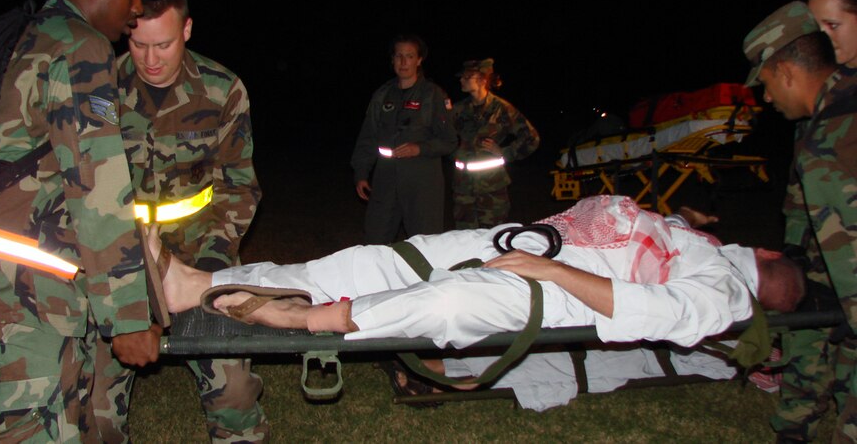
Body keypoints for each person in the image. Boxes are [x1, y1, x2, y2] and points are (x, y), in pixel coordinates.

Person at [155, 195, 804, 352]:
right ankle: (194, 284)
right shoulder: (697, 235)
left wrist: (551, 271)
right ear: (769, 253)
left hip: (550, 289)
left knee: (449, 300)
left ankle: (315, 316)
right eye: (780, 279)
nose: (771, 291)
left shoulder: (727, 291)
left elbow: (659, 314)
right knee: (362, 261)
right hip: (509, 243)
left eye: (781, 299)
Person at [0, 0, 162, 441]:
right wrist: (129, 319)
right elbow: (98, 191)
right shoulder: (79, 47)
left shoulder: (14, 36)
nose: (137, 8)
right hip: (21, 313)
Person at [112, 0, 267, 442]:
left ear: (187, 30)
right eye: (138, 45)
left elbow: (239, 188)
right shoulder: (95, 89)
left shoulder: (223, 90)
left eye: (162, 44)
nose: (150, 60)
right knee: (90, 404)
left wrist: (213, 268)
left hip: (201, 251)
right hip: (117, 260)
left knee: (234, 391)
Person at [742, 0, 857, 442]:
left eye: (767, 83)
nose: (767, 98)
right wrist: (795, 255)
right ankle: (794, 428)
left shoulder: (834, 133)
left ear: (788, 71)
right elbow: (801, 205)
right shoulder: (818, 123)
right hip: (822, 267)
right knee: (810, 347)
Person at [350, 35, 457, 244]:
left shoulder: (433, 95)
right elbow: (368, 137)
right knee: (375, 243)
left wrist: (420, 148)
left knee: (424, 245)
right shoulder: (382, 95)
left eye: (409, 56)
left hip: (422, 184)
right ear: (392, 60)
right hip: (385, 181)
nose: (403, 62)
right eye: (399, 56)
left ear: (419, 60)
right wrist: (361, 173)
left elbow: (450, 141)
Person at [451, 59, 539, 229]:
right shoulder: (458, 110)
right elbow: (443, 137)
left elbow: (531, 137)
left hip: (491, 189)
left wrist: (505, 152)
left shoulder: (501, 109)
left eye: (467, 77)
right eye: (462, 76)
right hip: (463, 190)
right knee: (465, 240)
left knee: (492, 239)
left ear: (483, 79)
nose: (462, 80)